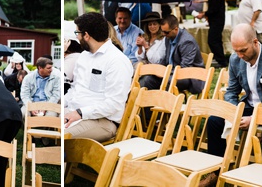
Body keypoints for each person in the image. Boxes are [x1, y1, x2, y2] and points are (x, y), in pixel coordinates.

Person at [202, 24, 262, 185]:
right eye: (236, 50)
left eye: (243, 50)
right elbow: (231, 91)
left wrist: (254, 119)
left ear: (255, 42)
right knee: (214, 120)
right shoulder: (235, 59)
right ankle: (216, 173)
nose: (239, 55)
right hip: (250, 105)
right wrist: (233, 114)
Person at [63, 12, 134, 142]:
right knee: (49, 123)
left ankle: (68, 159)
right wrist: (62, 105)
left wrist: (80, 113)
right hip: (75, 112)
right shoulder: (84, 56)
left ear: (86, 35)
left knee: (64, 135)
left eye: (77, 33)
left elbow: (113, 104)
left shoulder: (117, 61)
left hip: (104, 121)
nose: (76, 37)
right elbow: (75, 89)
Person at [138, 15, 205, 93]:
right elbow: (166, 60)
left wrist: (165, 73)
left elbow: (185, 68)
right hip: (171, 73)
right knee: (147, 79)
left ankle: (164, 104)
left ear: (176, 29)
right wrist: (156, 69)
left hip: (190, 77)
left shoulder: (187, 42)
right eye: (162, 31)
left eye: (166, 32)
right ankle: (148, 104)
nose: (163, 34)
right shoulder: (168, 38)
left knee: (167, 81)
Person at [196, 0, 228, 67]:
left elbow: (214, 9)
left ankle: (221, 60)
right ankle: (220, 59)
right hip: (216, 20)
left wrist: (204, 14)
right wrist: (205, 14)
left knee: (213, 40)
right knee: (216, 40)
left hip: (217, 21)